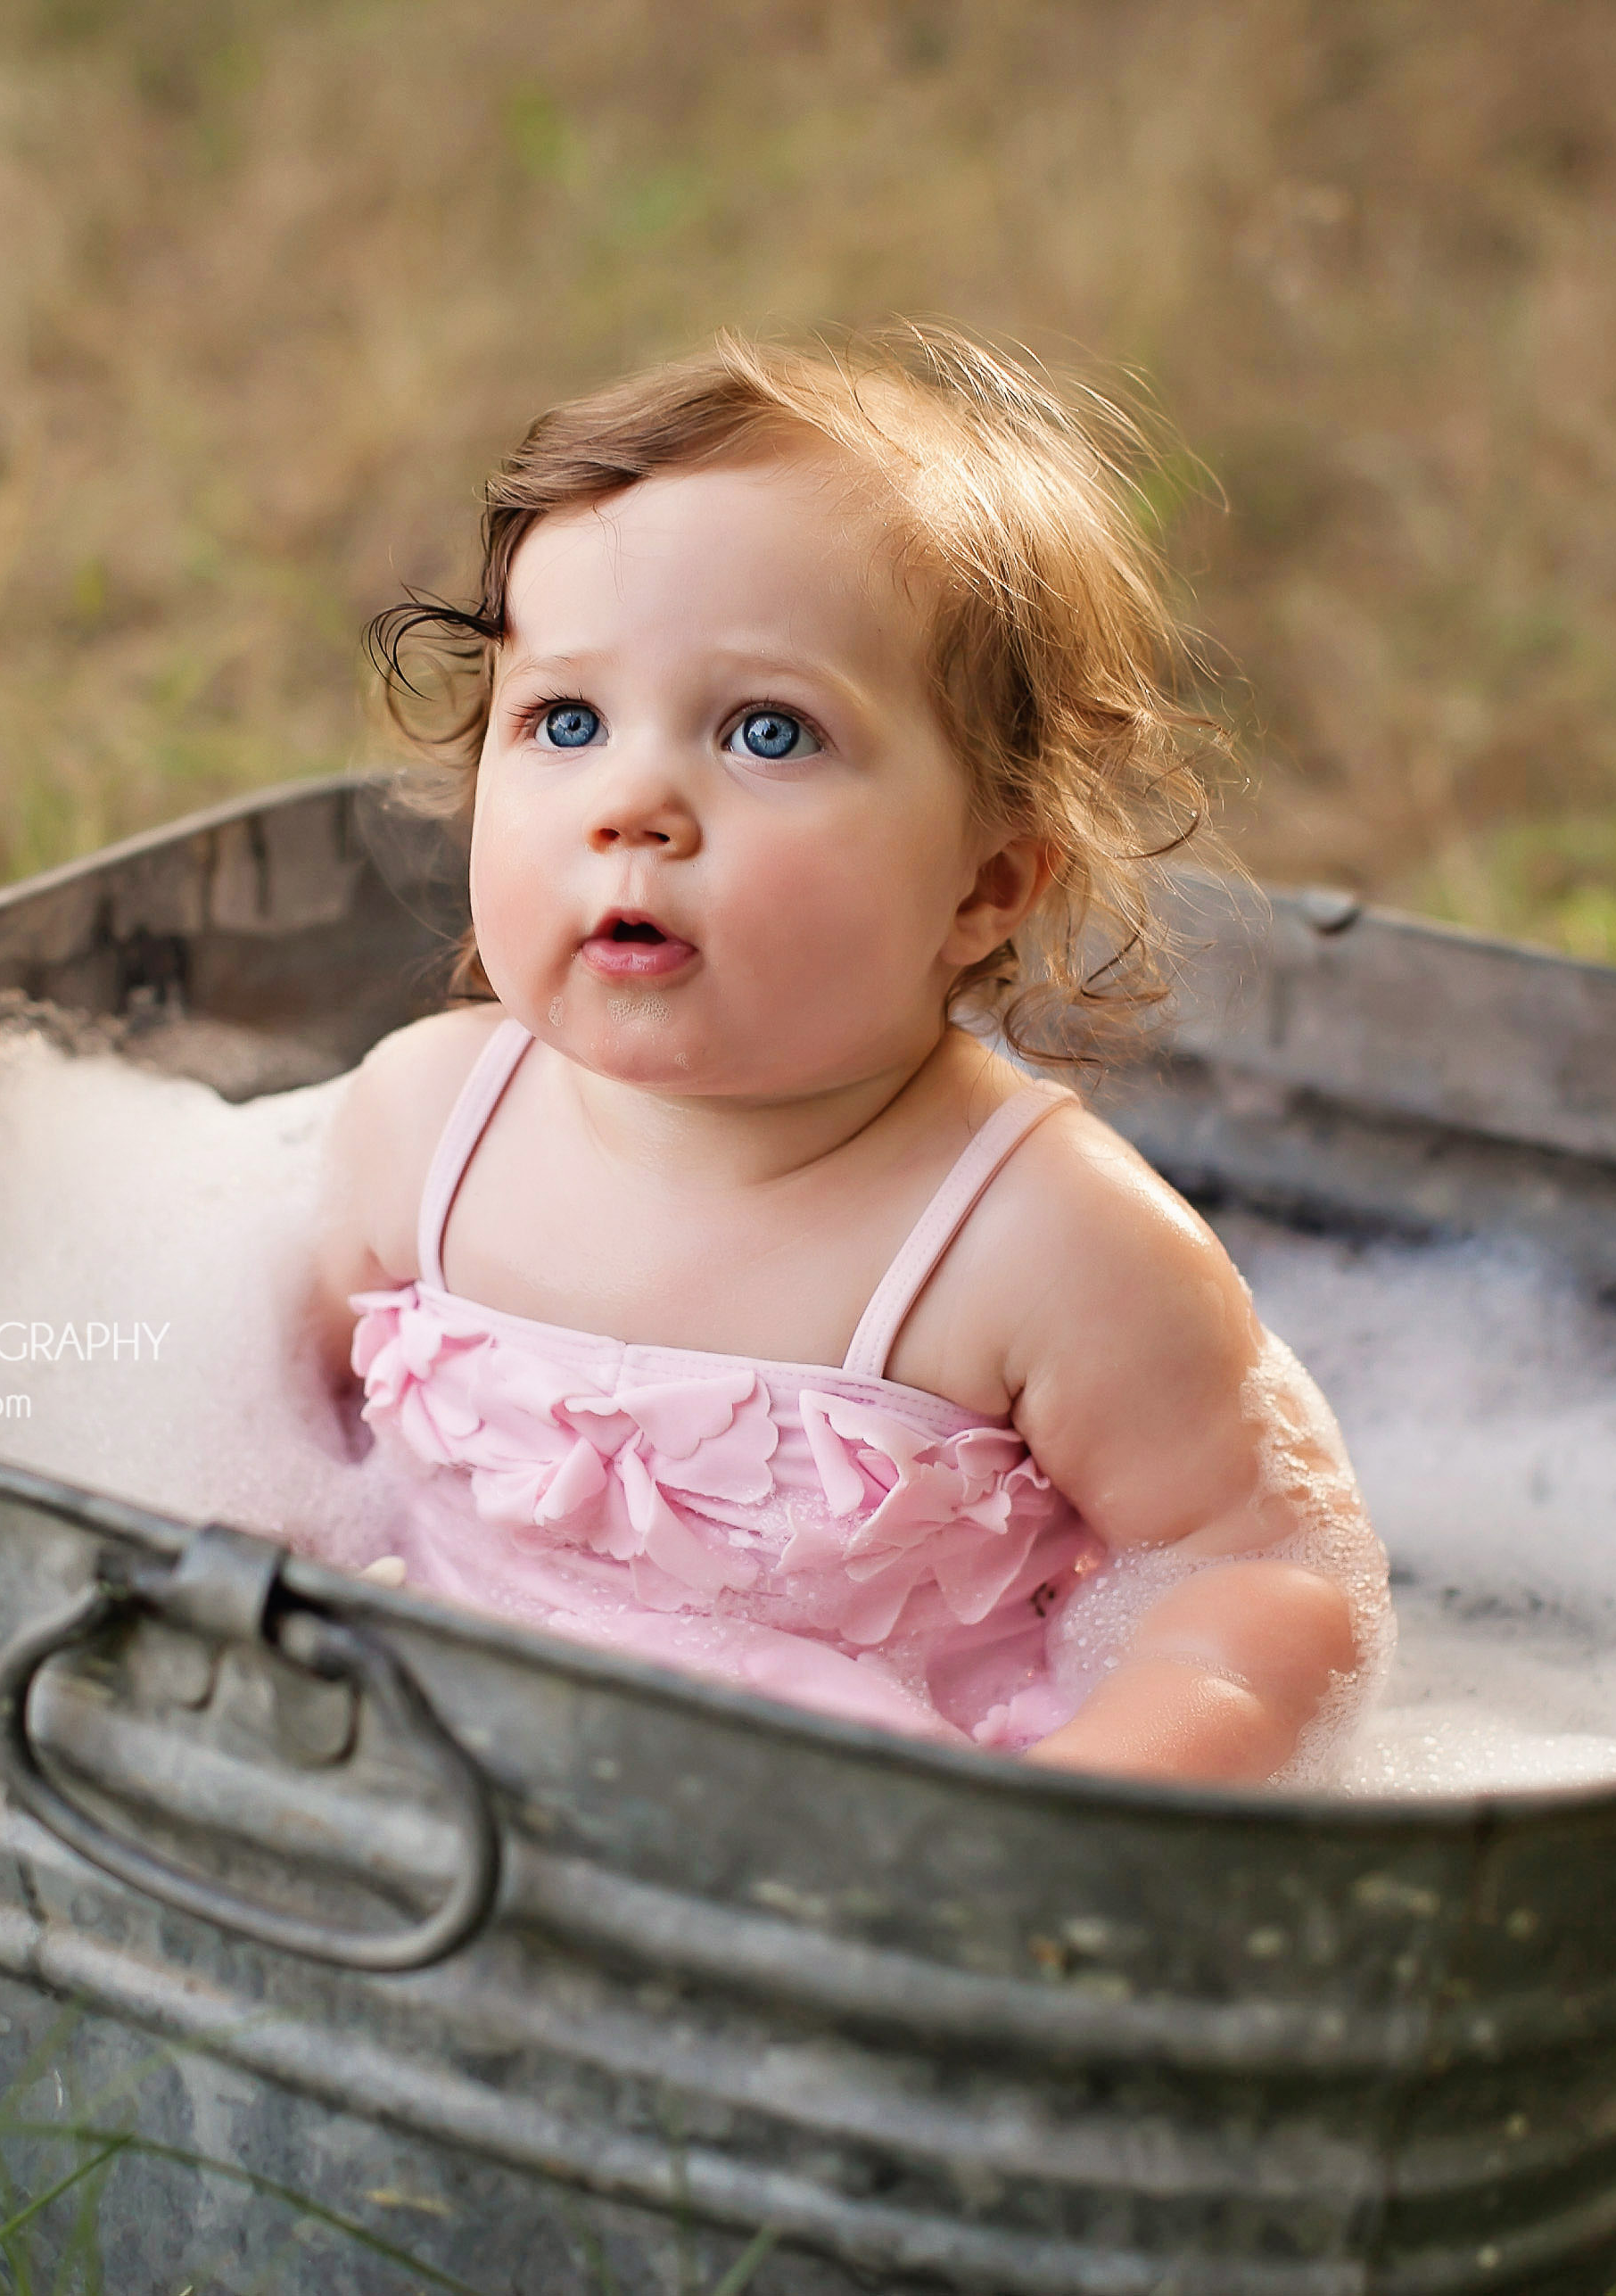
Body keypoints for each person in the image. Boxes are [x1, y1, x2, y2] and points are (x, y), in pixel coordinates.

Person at [309, 325, 1383, 1787]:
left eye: (765, 730)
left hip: (863, 1859)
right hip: (430, 1781)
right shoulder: (424, 1120)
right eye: (565, 717)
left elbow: (1255, 1584)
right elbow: (293, 1420)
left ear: (985, 885)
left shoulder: (1042, 1244)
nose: (633, 801)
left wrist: (1079, 1806)